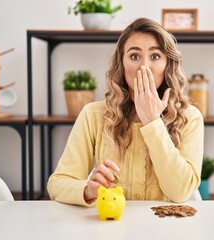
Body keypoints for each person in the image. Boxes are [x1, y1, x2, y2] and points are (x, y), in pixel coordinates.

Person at [47, 18, 204, 206]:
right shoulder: (93, 115)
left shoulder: (189, 118)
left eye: (155, 56)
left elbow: (181, 192)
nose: (144, 66)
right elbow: (58, 184)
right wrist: (88, 189)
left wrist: (153, 122)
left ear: (167, 64)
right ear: (121, 63)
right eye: (134, 56)